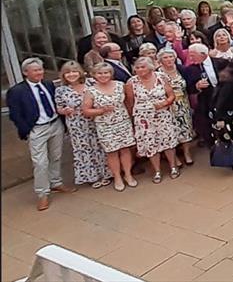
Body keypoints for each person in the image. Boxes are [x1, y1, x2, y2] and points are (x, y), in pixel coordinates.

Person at [8, 58, 76, 210]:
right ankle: (42, 194)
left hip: (55, 124)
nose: (40, 73)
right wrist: (27, 128)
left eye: (41, 69)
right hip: (37, 128)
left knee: (56, 155)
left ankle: (56, 182)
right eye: (35, 70)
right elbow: (15, 114)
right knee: (40, 162)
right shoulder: (17, 91)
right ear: (26, 73)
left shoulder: (48, 84)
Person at [55, 61, 111, 189]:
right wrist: (64, 111)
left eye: (74, 71)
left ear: (80, 72)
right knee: (84, 149)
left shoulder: (91, 83)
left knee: (100, 146)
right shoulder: (60, 90)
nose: (71, 74)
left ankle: (107, 173)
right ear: (63, 75)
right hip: (77, 124)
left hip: (96, 120)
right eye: (68, 72)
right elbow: (59, 108)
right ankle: (91, 176)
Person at [82, 62, 137, 193]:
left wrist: (130, 117)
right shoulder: (91, 91)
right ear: (94, 75)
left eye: (106, 73)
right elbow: (86, 111)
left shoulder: (119, 85)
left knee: (125, 150)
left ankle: (128, 174)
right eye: (100, 73)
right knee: (112, 152)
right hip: (105, 125)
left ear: (110, 73)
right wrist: (101, 110)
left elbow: (128, 102)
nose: (103, 75)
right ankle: (117, 177)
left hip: (122, 122)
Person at [124, 57, 180, 183]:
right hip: (143, 118)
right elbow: (130, 102)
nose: (139, 69)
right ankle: (157, 171)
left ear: (150, 67)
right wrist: (132, 119)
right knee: (150, 144)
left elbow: (171, 95)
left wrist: (165, 102)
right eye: (137, 67)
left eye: (142, 67)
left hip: (162, 115)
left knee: (168, 141)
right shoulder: (131, 82)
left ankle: (173, 167)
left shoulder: (161, 77)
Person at [185, 43, 227, 147]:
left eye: (193, 55)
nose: (190, 58)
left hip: (224, 98)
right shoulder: (191, 69)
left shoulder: (222, 63)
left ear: (203, 54)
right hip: (206, 100)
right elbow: (189, 88)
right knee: (205, 123)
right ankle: (213, 146)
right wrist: (197, 86)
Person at [157, 48, 194, 166]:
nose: (169, 60)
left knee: (186, 128)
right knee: (172, 130)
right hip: (167, 106)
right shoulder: (158, 73)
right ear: (160, 60)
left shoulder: (181, 69)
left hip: (183, 103)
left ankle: (187, 153)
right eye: (165, 57)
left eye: (170, 57)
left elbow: (189, 84)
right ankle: (176, 158)